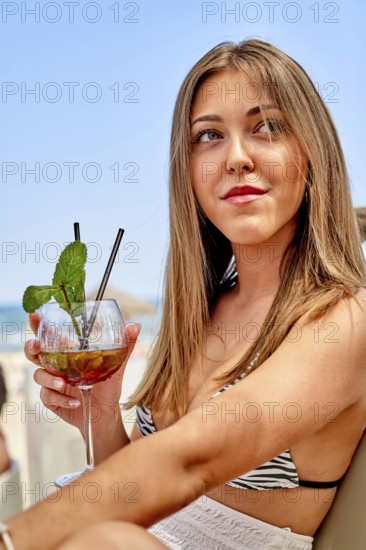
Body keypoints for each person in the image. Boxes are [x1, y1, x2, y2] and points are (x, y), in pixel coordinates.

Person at [2, 39, 366, 550]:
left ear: (312, 150)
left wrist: (12, 540)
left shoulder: (345, 319)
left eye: (268, 127)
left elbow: (188, 462)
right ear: (188, 169)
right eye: (209, 135)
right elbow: (149, 497)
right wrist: (104, 419)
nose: (237, 157)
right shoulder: (203, 309)